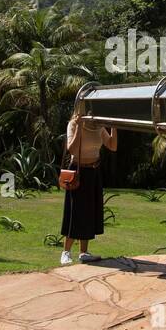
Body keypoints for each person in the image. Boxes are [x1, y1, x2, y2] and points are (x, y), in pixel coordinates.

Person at [60, 106, 117, 265]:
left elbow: (112, 145)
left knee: (89, 212)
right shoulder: (73, 124)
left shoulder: (98, 125)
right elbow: (72, 149)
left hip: (93, 172)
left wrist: (114, 126)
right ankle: (66, 252)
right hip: (78, 172)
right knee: (74, 211)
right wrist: (78, 126)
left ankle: (83, 253)